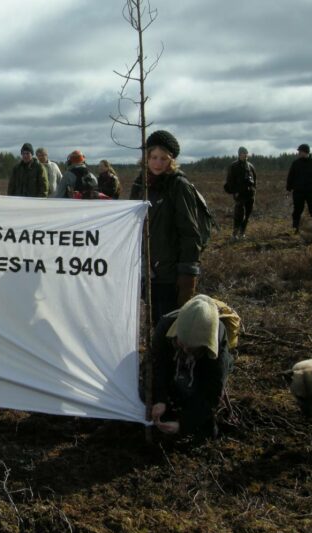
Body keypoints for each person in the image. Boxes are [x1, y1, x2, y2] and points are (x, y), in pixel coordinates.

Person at [129, 130, 202, 324]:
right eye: (153, 157)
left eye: (163, 158)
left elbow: (190, 232)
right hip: (145, 268)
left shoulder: (179, 185)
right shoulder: (140, 184)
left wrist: (187, 272)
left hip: (170, 272)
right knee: (152, 322)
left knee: (168, 324)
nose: (157, 163)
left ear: (171, 160)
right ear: (146, 158)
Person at [150, 294, 234, 439]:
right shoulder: (165, 326)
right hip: (173, 367)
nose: (186, 351)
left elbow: (212, 390)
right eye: (182, 344)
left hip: (201, 370)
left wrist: (183, 424)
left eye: (193, 348)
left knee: (205, 428)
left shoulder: (218, 336)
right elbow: (158, 366)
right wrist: (160, 399)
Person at [286, 143, 312, 239]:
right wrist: (288, 188)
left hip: (311, 193)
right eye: (299, 151)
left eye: (300, 151)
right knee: (297, 211)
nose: (299, 153)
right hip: (298, 192)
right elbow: (291, 176)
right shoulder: (296, 163)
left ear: (306, 152)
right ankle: (295, 230)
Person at [224, 146, 257, 239]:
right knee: (239, 214)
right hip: (239, 194)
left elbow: (255, 180)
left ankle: (242, 233)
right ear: (239, 154)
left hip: (250, 194)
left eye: (246, 153)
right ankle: (235, 233)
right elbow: (229, 181)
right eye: (243, 153)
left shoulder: (251, 166)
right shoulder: (233, 166)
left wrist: (254, 191)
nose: (245, 155)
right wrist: (235, 192)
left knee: (247, 214)